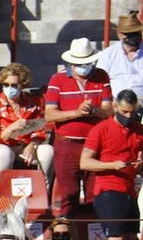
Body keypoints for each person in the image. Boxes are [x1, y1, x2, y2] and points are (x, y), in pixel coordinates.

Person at [45, 37, 113, 216]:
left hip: (95, 144)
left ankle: (93, 237)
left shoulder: (101, 76)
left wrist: (93, 110)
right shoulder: (57, 79)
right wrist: (77, 112)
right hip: (67, 143)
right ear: (71, 63)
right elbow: (50, 114)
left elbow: (108, 110)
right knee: (69, 195)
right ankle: (70, 238)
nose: (84, 67)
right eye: (79, 63)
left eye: (88, 63)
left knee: (95, 193)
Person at [80, 89, 143, 240]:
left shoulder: (138, 129)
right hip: (109, 189)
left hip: (129, 190)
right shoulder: (101, 129)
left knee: (129, 239)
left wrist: (139, 164)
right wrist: (112, 165)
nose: (128, 116)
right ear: (115, 106)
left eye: (132, 112)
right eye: (124, 112)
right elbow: (84, 162)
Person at [0, 62, 54, 181]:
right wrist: (11, 128)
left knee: (48, 151)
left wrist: (32, 145)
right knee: (4, 154)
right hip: (1, 145)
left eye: (14, 85)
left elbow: (39, 129)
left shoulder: (31, 102)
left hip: (24, 145)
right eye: (6, 85)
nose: (9, 88)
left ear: (22, 85)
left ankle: (43, 190)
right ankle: (1, 192)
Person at [96, 14, 143, 101]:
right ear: (120, 35)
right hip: (116, 106)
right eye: (130, 34)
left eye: (136, 33)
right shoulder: (108, 55)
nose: (134, 37)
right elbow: (100, 82)